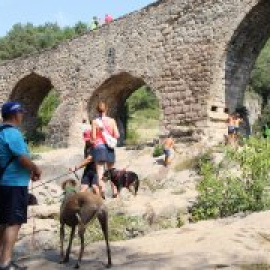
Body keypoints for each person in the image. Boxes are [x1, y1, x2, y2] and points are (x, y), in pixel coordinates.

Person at [0, 102, 41, 270]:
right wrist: (35, 168)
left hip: (3, 183)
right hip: (14, 185)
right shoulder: (13, 134)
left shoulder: (1, 132)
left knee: (2, 222)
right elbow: (22, 159)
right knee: (13, 223)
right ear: (15, 115)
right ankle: (6, 263)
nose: (22, 115)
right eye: (21, 113)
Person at [92, 101, 119, 198]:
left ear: (97, 110)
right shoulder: (112, 121)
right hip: (109, 147)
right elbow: (117, 135)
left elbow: (94, 137)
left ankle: (102, 191)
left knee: (100, 172)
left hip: (99, 147)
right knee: (111, 171)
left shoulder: (95, 122)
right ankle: (115, 192)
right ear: (106, 109)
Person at [70, 129, 99, 195]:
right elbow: (86, 159)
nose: (86, 141)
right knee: (83, 188)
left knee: (95, 187)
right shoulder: (86, 146)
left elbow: (88, 159)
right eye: (85, 140)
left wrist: (76, 168)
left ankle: (100, 203)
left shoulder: (96, 146)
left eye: (88, 139)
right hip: (88, 169)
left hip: (97, 170)